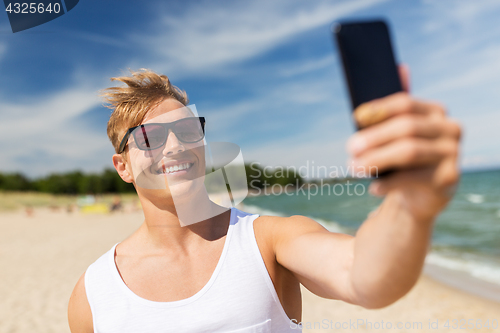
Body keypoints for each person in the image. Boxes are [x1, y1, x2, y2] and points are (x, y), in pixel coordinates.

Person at [68, 68, 461, 332]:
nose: (176, 146)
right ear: (122, 165)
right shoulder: (94, 293)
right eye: (150, 137)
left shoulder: (268, 240)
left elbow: (365, 276)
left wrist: (410, 206)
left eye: (187, 129)